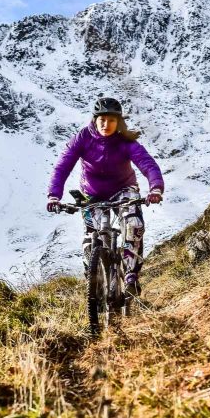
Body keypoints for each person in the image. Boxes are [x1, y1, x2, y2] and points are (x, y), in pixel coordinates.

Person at [46, 96, 164, 296]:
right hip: (91, 194)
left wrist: (155, 188)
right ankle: (95, 282)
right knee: (91, 238)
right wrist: (53, 195)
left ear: (118, 122)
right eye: (102, 120)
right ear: (94, 120)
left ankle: (130, 275)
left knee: (133, 224)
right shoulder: (82, 138)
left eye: (111, 120)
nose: (106, 124)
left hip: (124, 189)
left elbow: (148, 164)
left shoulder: (125, 142)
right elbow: (62, 166)